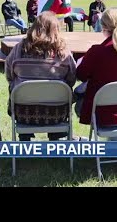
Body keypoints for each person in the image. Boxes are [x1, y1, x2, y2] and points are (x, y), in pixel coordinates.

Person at [5, 11, 77, 141]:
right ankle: (56, 136)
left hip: (23, 113)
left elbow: (9, 76)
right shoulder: (63, 51)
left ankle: (24, 137)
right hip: (57, 113)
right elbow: (71, 78)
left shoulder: (18, 49)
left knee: (15, 88)